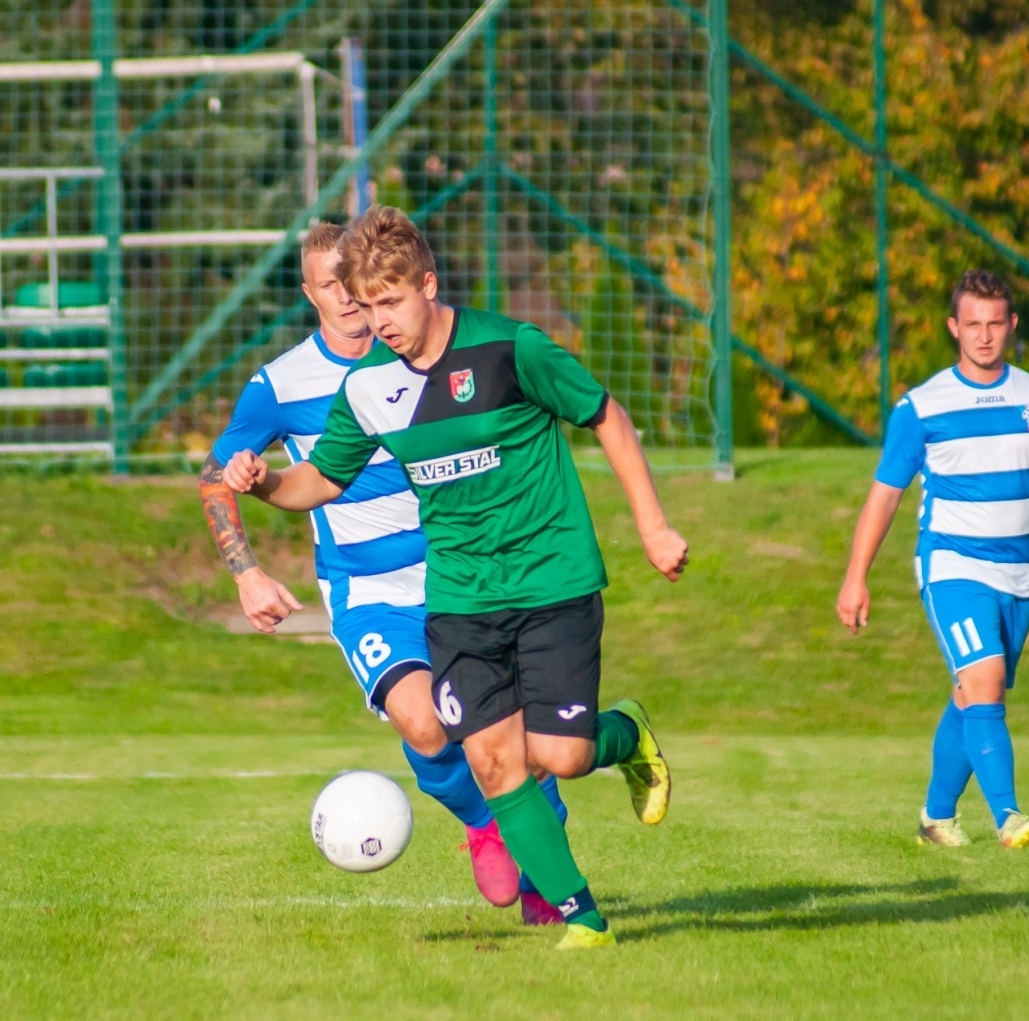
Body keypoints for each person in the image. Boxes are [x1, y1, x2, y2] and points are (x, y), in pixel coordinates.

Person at [223, 206, 689, 949]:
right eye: (367, 305)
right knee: (492, 758)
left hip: (550, 581)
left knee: (561, 756)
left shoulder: (510, 349)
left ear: (428, 285)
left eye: (390, 302)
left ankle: (625, 734)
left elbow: (606, 416)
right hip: (461, 598)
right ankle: (584, 920)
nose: (379, 321)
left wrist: (653, 526)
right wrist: (267, 484)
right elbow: (324, 478)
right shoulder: (369, 387)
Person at [198, 220, 571, 921]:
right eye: (329, 286)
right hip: (366, 590)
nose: (346, 299)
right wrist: (247, 571)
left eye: (354, 284)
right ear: (308, 293)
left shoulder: (416, 352)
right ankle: (485, 823)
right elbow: (215, 473)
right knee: (425, 725)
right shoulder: (279, 384)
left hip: (455, 571)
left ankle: (546, 858)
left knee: (510, 732)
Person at [836, 269, 1029, 848]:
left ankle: (936, 819)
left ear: (1012, 325)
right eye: (972, 324)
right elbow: (884, 497)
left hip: (1017, 574)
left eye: (994, 323)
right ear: (953, 328)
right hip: (952, 566)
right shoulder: (921, 407)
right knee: (985, 682)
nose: (984, 336)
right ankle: (1009, 817)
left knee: (971, 694)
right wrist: (855, 578)